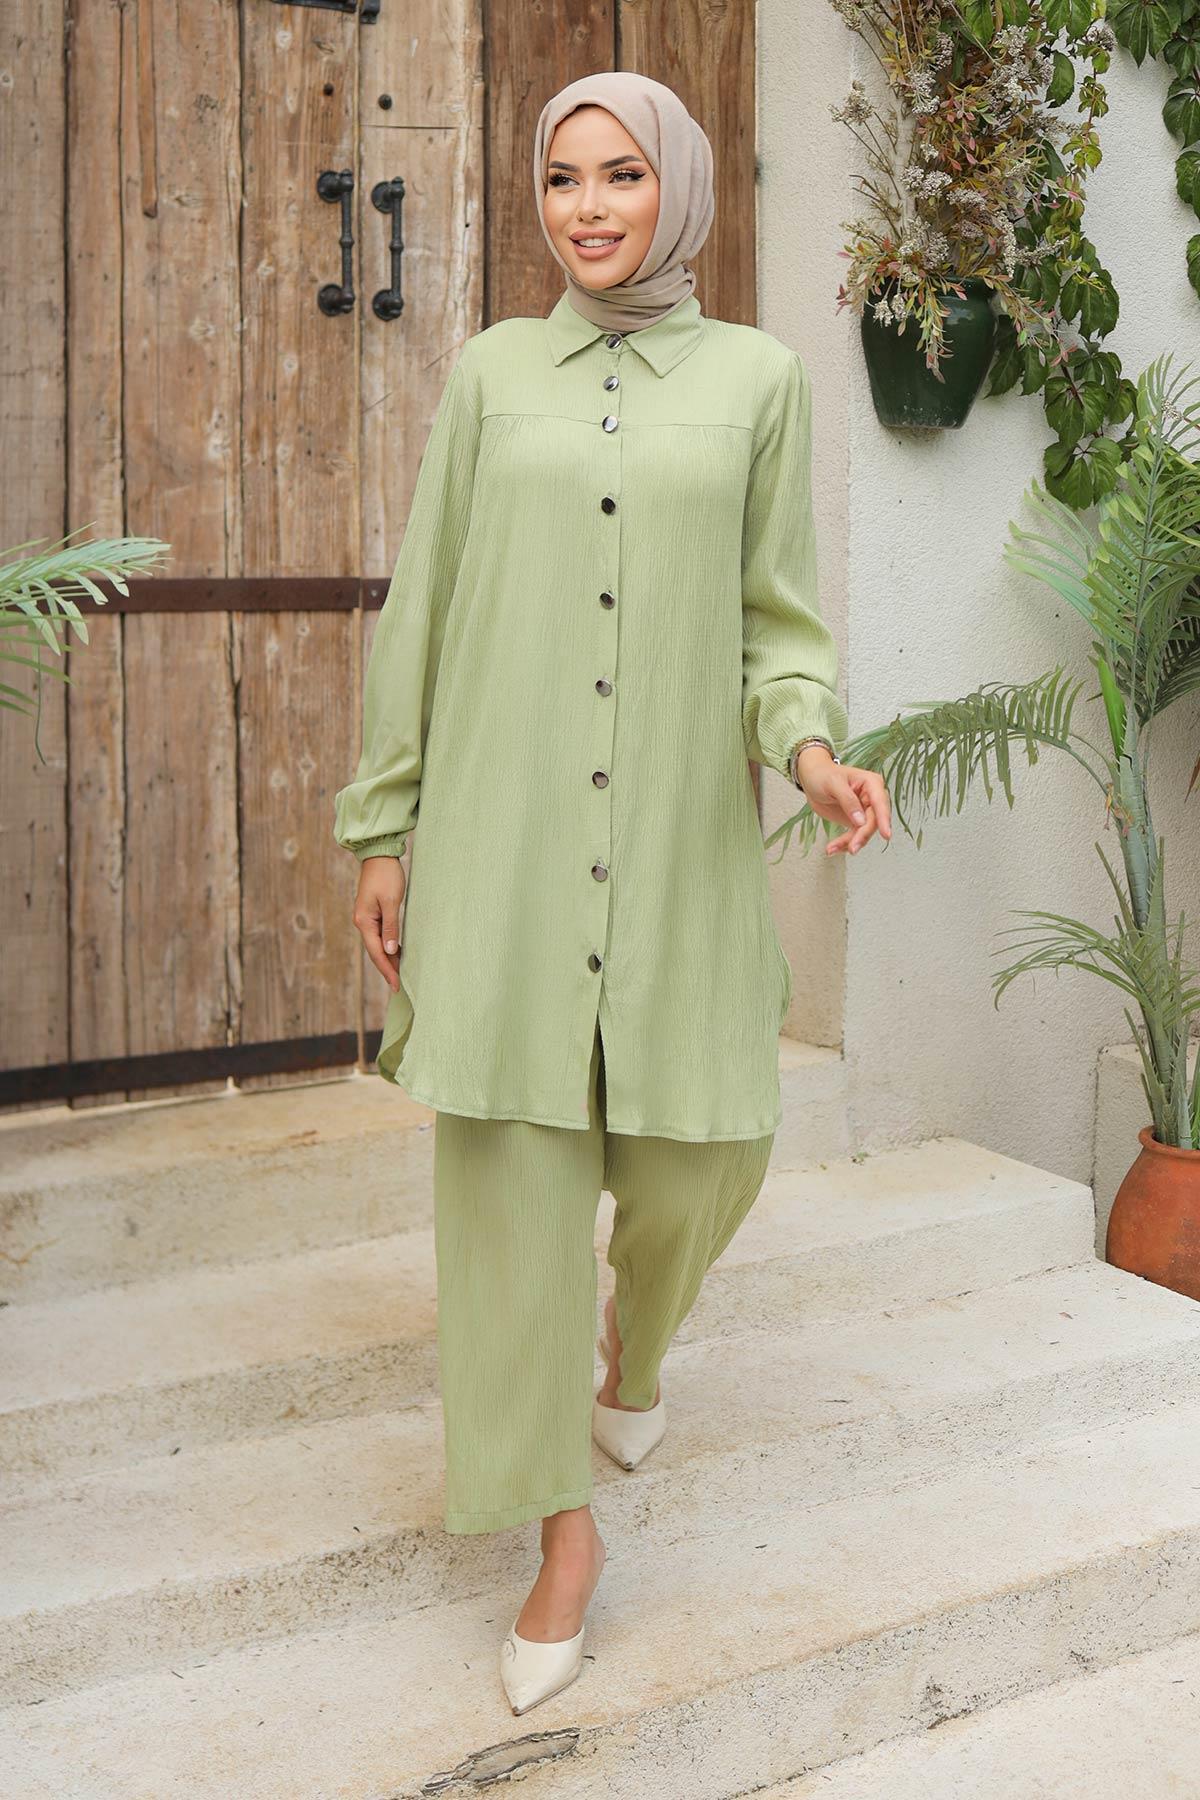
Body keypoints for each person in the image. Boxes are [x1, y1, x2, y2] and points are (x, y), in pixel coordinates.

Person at [333, 69, 891, 1716]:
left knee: (710, 1149)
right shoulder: (492, 377)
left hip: (674, 847)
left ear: (681, 191)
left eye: (621, 175)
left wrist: (811, 754)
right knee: (509, 1202)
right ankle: (564, 1540)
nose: (586, 207)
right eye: (563, 177)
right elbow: (426, 604)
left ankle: (633, 1355)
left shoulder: (761, 383)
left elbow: (776, 626)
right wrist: (385, 826)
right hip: (502, 848)